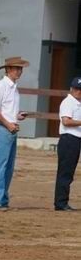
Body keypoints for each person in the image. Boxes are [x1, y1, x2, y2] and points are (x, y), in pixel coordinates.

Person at [0, 56, 30, 211]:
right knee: (0, 166)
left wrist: (17, 116)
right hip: (4, 129)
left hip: (9, 128)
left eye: (20, 68)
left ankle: (1, 199)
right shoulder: (0, 86)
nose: (19, 71)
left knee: (8, 167)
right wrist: (8, 123)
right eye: (17, 68)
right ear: (8, 69)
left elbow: (3, 110)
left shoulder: (12, 88)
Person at [53, 76, 81, 211]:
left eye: (80, 89)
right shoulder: (68, 103)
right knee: (65, 171)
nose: (78, 92)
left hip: (75, 139)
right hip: (69, 139)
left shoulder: (78, 103)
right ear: (71, 89)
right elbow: (66, 121)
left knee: (69, 172)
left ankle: (62, 201)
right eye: (76, 89)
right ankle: (60, 202)